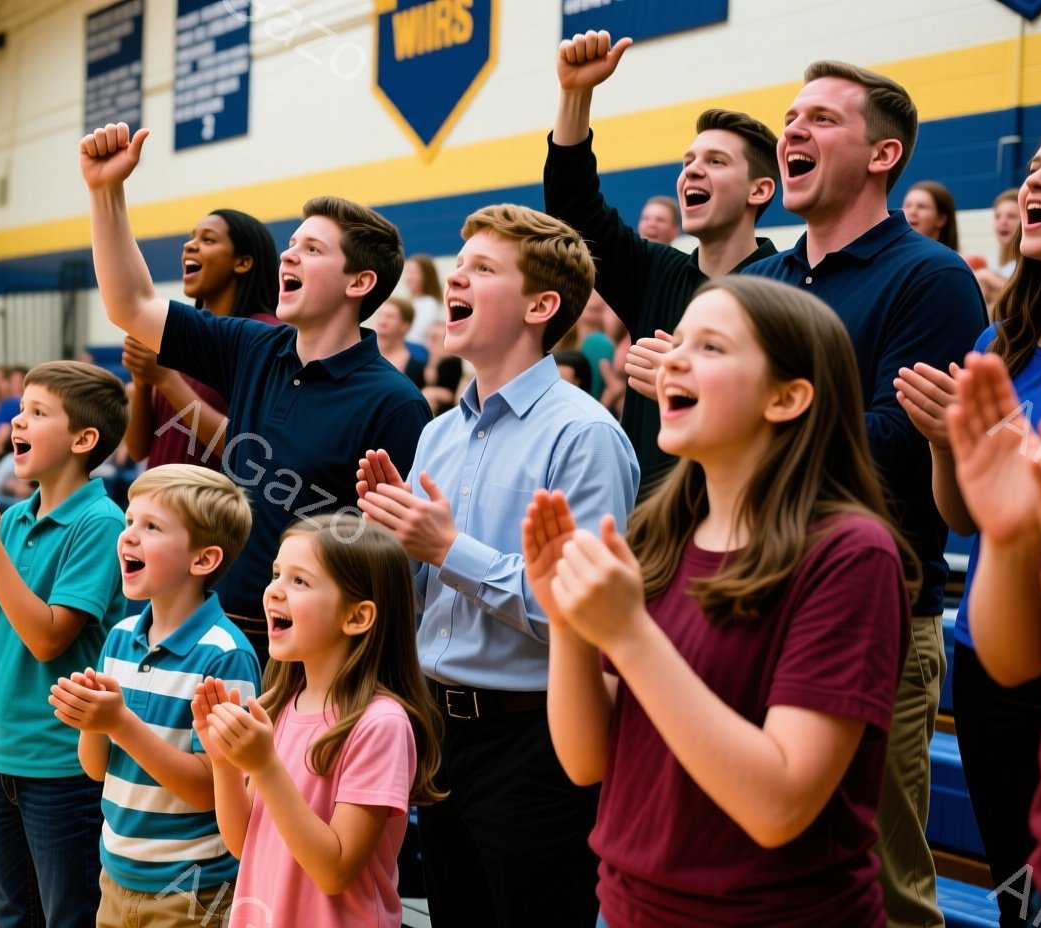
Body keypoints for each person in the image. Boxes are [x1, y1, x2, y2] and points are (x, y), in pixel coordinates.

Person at [528, 276, 914, 926]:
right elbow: (586, 760)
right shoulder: (659, 533)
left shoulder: (851, 554)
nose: (673, 360)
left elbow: (779, 805)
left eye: (709, 347)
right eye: (677, 341)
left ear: (787, 397)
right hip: (626, 910)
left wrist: (628, 636)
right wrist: (567, 623)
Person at [740, 62, 987, 925]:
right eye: (789, 117)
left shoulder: (930, 277)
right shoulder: (768, 283)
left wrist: (747, 415)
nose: (792, 131)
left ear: (883, 155)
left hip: (869, 619)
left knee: (878, 889)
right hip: (753, 602)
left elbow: (891, 444)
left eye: (820, 119)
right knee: (757, 876)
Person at [358, 204, 638, 927]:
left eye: (483, 268)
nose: (456, 277)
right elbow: (422, 595)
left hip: (537, 741)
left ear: (540, 306)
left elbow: (583, 614)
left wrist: (447, 548)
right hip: (440, 731)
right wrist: (390, 544)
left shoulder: (584, 435)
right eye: (458, 266)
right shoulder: (437, 434)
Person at [80, 122, 433, 661]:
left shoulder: (396, 403)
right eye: (290, 245)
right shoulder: (253, 346)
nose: (288, 256)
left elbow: (389, 566)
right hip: (215, 628)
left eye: (311, 249)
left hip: (310, 652)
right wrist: (106, 191)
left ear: (359, 282)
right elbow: (131, 305)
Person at [905, 113, 1041, 928]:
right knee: (1018, 888)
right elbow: (963, 514)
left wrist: (1019, 448)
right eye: (1034, 167)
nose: (1035, 181)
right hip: (988, 655)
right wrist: (942, 443)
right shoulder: (1001, 341)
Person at [546, 30, 780, 495]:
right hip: (644, 523)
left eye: (716, 161)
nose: (692, 170)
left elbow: (796, 423)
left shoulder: (786, 289)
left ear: (759, 190)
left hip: (741, 522)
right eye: (688, 161)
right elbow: (574, 209)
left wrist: (688, 381)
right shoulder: (655, 272)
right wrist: (575, 94)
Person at [0, 360, 131, 928]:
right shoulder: (12, 519)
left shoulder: (100, 522)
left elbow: (48, 638)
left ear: (83, 439)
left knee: (66, 916)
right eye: (21, 409)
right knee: (10, 915)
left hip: (62, 764)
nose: (18, 421)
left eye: (38, 412)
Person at [192, 515, 446, 928]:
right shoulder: (277, 704)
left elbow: (335, 870)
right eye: (276, 574)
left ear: (357, 617)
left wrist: (264, 766)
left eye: (300, 581)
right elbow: (244, 842)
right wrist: (223, 762)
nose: (274, 590)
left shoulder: (381, 724)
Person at [46, 464, 262, 927]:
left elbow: (209, 790)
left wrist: (121, 724)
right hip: (115, 875)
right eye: (129, 521)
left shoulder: (226, 656)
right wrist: (91, 723)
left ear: (203, 560)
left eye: (152, 527)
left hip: (192, 889)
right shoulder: (120, 638)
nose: (128, 535)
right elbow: (96, 768)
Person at [122, 208, 280, 470]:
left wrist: (167, 380)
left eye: (208, 239)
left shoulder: (268, 338)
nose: (189, 246)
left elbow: (247, 455)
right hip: (157, 495)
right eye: (191, 238)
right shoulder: (181, 335)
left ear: (242, 262)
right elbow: (137, 450)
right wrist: (142, 381)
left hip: (217, 497)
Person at [975, 189, 1023, 306]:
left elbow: (1026, 297)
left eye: (1011, 216)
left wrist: (988, 277)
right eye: (997, 217)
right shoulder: (993, 258)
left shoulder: (1034, 260)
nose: (1003, 221)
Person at [372, 295, 428, 389]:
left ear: (405, 325)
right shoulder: (361, 356)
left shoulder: (416, 366)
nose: (382, 321)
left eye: (389, 317)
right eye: (380, 315)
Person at [420, 320, 465, 415]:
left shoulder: (452, 362)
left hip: (446, 409)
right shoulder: (422, 359)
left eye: (436, 338)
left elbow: (450, 394)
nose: (433, 342)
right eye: (431, 337)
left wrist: (430, 392)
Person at [903, 180, 960, 250]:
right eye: (908, 206)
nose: (912, 212)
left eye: (921, 206)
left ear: (941, 219)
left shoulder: (948, 256)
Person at [405, 254, 445, 335]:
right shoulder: (411, 302)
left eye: (414, 272)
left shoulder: (429, 304)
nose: (409, 278)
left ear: (426, 276)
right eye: (408, 272)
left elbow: (415, 335)